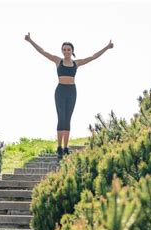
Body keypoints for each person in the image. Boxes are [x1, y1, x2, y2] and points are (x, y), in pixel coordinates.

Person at [24, 32, 114, 160]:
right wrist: (30, 41)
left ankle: (66, 148)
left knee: (68, 119)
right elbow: (42, 52)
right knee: (61, 118)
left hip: (72, 91)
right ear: (62, 51)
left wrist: (107, 47)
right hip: (60, 91)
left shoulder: (76, 63)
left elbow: (93, 57)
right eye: (64, 49)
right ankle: (59, 147)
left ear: (72, 51)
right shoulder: (57, 61)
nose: (66, 51)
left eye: (69, 49)